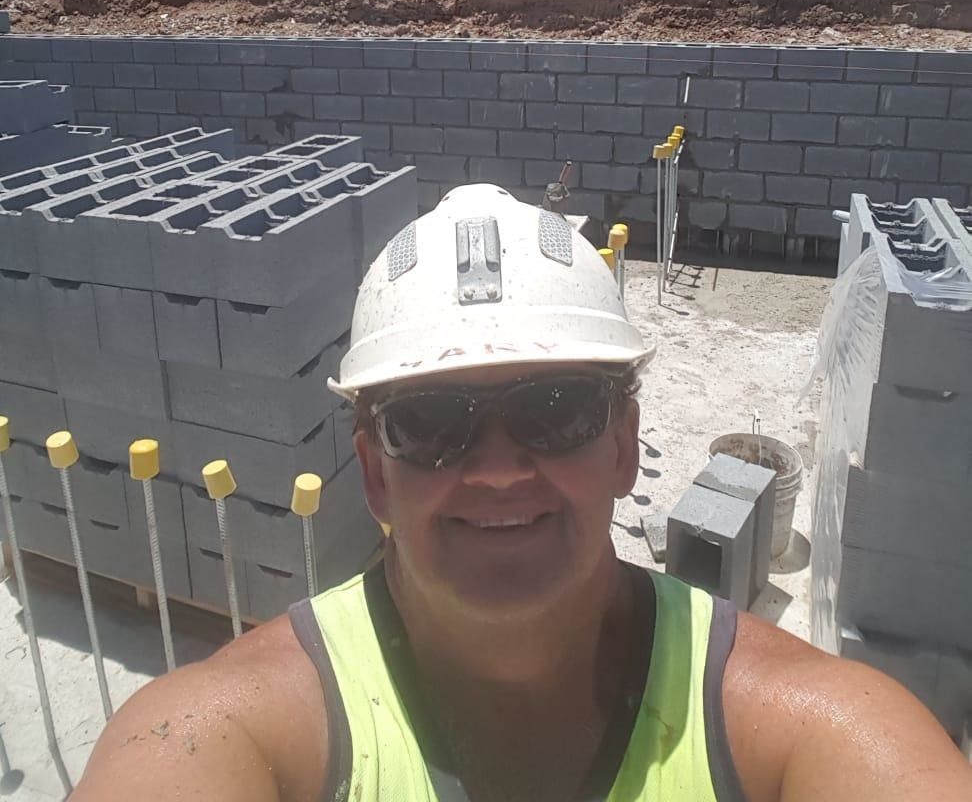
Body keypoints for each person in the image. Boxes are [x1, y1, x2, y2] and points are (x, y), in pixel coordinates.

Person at [74, 186, 971, 801]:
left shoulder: (805, 732)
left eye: (557, 409)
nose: (499, 468)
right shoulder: (230, 734)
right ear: (377, 470)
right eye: (430, 421)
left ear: (624, 442)